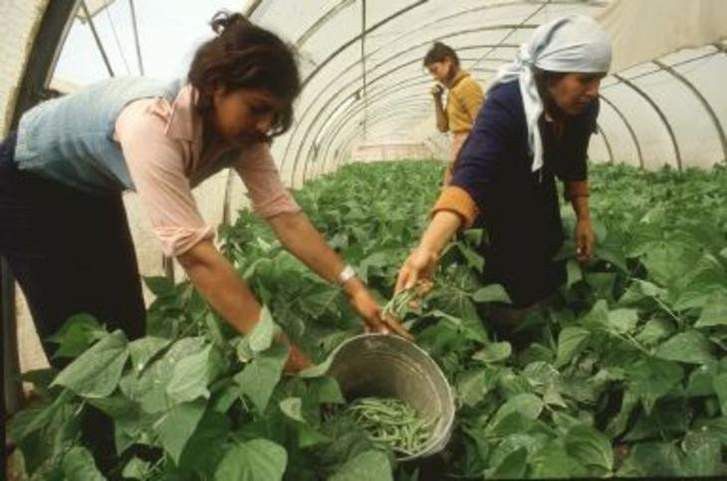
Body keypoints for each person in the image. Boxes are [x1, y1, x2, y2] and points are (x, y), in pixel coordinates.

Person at [0, 11, 410, 373]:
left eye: (275, 114)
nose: (266, 124)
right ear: (216, 86)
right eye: (256, 107)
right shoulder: (152, 125)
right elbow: (197, 257)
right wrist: (284, 356)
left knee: (125, 319)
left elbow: (284, 215)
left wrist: (353, 286)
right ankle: (95, 442)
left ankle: (133, 437)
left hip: (93, 187)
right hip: (30, 181)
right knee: (75, 338)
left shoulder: (246, 138)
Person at [398, 15, 611, 339]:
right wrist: (429, 248)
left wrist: (583, 217)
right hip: (498, 191)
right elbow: (473, 174)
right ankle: (502, 332)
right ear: (550, 76)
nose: (593, 91)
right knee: (507, 262)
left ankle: (542, 327)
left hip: (539, 185)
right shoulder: (508, 104)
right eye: (584, 79)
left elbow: (573, 161)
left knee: (548, 241)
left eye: (599, 79)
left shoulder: (584, 106)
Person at [424, 42, 484, 185]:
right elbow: (443, 127)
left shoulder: (468, 86)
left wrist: (468, 159)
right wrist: (437, 100)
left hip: (469, 153)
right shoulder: (454, 90)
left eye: (435, 70)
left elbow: (482, 126)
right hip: (460, 151)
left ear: (448, 62)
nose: (435, 77)